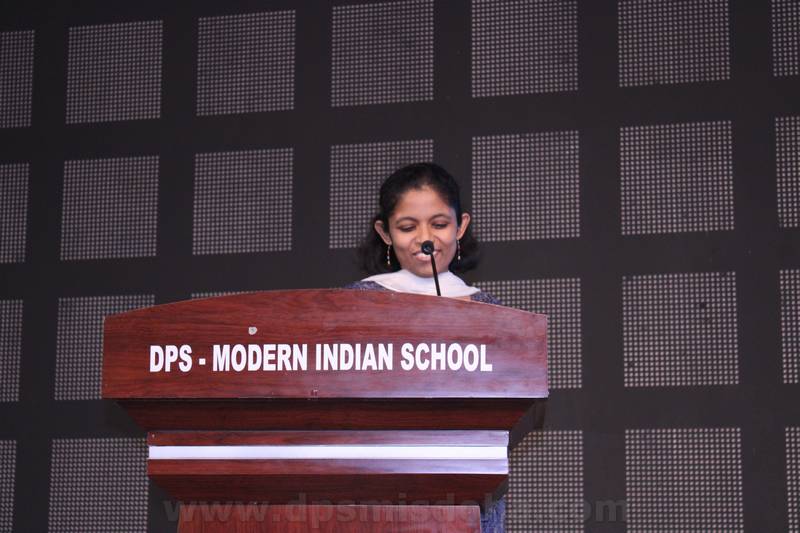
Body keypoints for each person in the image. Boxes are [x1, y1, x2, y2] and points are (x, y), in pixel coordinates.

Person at [346, 162, 506, 533]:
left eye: (439, 224)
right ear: (385, 233)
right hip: (374, 481)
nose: (425, 238)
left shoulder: (491, 311)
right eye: (407, 227)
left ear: (460, 226)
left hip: (468, 484)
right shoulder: (354, 303)